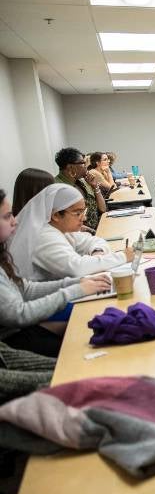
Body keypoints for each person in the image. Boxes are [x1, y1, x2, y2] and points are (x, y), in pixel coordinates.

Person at [0, 188, 111, 366]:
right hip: (11, 342)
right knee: (86, 350)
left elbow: (26, 288)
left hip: (22, 330)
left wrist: (77, 283)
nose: (14, 222)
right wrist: (76, 289)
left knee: (94, 328)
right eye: (6, 217)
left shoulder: (3, 254)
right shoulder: (43, 235)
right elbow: (18, 314)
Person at [9, 184, 132, 282]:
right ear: (56, 215)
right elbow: (77, 268)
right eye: (77, 213)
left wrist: (97, 253)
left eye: (83, 212)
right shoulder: (43, 236)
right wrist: (123, 256)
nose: (83, 218)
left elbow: (93, 240)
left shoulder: (60, 227)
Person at [54, 147, 107, 231]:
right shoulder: (58, 187)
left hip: (98, 227)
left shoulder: (82, 181)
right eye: (83, 163)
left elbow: (103, 209)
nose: (86, 166)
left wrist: (95, 186)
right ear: (71, 167)